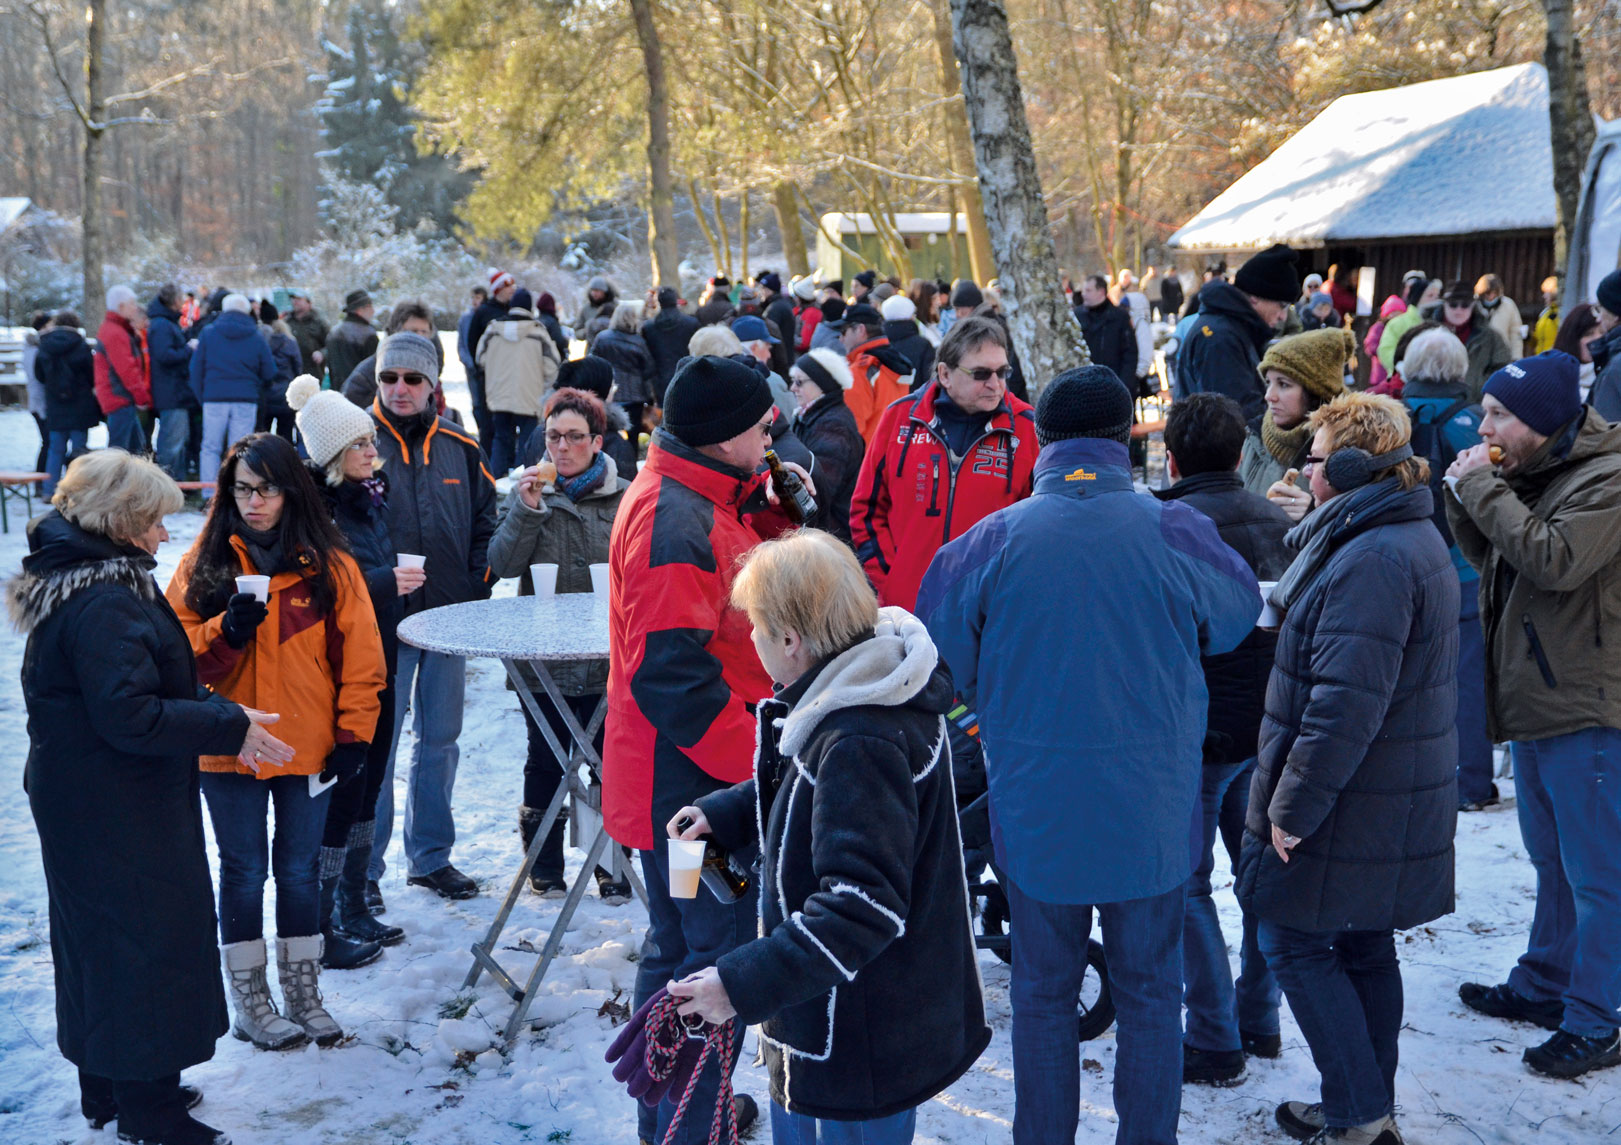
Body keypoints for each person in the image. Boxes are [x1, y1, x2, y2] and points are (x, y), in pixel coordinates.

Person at [918, 366, 1260, 1145]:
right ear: (1124, 438)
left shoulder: (989, 540)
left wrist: (988, 710)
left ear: (1039, 438)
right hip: (1152, 801)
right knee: (1148, 992)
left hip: (1035, 805)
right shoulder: (1172, 528)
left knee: (1041, 992)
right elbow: (1237, 618)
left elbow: (935, 649)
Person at [667, 532, 991, 1144]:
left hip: (860, 1040)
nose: (751, 640)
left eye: (756, 628)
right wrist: (730, 812)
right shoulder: (859, 684)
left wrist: (738, 985)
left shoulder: (859, 736)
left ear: (790, 641)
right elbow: (814, 792)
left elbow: (860, 907)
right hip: (832, 1018)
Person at [14, 451, 287, 1145]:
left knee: (98, 940)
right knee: (143, 941)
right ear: (123, 521)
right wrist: (229, 721)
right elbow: (132, 715)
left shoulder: (88, 581)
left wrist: (218, 708)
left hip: (90, 794)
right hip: (116, 802)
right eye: (157, 521)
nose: (167, 535)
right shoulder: (105, 598)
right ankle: (149, 1107)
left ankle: (107, 1085)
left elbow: (144, 687)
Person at [1238, 392, 1458, 1145]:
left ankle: (1359, 1113)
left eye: (1317, 456)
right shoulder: (1382, 531)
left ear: (1356, 466)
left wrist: (1290, 808)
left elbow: (1342, 705)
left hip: (1352, 796)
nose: (1304, 466)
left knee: (1290, 941)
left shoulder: (1373, 557)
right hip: (1378, 791)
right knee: (1362, 942)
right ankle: (1361, 1104)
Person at [604, 356, 811, 1145]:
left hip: (687, 785)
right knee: (707, 957)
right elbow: (672, 674)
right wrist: (755, 772)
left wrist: (775, 512)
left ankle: (677, 1115)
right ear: (724, 434)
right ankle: (690, 1126)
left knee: (685, 947)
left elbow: (737, 591)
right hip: (688, 796)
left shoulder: (702, 496)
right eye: (761, 424)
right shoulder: (674, 516)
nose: (772, 433)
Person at [167, 433, 387, 1049]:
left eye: (266, 489)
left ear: (291, 492)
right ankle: (252, 1002)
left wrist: (353, 736)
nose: (254, 502)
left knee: (297, 871)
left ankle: (303, 992)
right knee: (242, 869)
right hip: (228, 745)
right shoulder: (203, 563)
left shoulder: (330, 565)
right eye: (242, 490)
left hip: (306, 745)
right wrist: (224, 630)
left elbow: (363, 661)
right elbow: (171, 654)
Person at [1447, 350, 1621, 1079]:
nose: (1482, 424)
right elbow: (1495, 558)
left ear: (1543, 423)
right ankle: (1543, 983)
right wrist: (1466, 498)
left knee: (1598, 873)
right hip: (1535, 696)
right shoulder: (1534, 469)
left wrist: (1482, 487)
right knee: (1551, 862)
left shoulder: (1607, 479)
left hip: (1586, 704)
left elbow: (1552, 560)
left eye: (1498, 415)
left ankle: (1597, 1017)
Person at [1154, 393, 1290, 1087]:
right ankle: (1257, 1017)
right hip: (1266, 727)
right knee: (1256, 878)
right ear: (1240, 454)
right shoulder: (1277, 518)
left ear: (1170, 457)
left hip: (1197, 732)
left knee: (1185, 885)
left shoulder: (1167, 526)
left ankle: (1213, 1035)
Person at [367, 332, 498, 906]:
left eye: (412, 379)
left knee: (440, 741)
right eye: (389, 378)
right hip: (380, 624)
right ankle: (361, 871)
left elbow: (486, 524)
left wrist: (476, 589)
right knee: (379, 744)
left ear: (433, 386)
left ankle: (431, 858)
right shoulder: (357, 443)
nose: (399, 389)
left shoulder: (460, 446)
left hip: (447, 619)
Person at [487, 387, 632, 902]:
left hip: (606, 657)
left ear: (597, 441)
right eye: (553, 437)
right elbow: (501, 567)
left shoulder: (626, 496)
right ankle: (544, 865)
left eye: (574, 437)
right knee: (545, 760)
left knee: (606, 761)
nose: (562, 447)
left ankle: (610, 864)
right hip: (543, 659)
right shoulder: (529, 492)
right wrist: (526, 511)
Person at [289, 376, 416, 957]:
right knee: (343, 791)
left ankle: (355, 905)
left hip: (378, 660)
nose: (374, 451)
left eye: (371, 441)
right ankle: (319, 925)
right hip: (337, 676)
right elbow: (317, 593)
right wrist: (386, 583)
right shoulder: (313, 514)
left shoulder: (368, 500)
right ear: (334, 457)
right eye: (361, 444)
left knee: (368, 785)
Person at [849, 316, 1038, 610]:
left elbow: (1037, 527)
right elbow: (867, 510)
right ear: (945, 374)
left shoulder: (1026, 428)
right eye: (980, 374)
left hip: (990, 612)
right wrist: (891, 581)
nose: (995, 384)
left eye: (1002, 372)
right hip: (909, 610)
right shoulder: (900, 418)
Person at [1392, 330, 1493, 812]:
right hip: (1464, 571)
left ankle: (1410, 778)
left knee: (1406, 678)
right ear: (1460, 369)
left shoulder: (1389, 421)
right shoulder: (1474, 425)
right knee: (1467, 682)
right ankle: (1472, 782)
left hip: (1405, 567)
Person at [1179, 243, 1302, 419]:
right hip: (1216, 445)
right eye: (1282, 306)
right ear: (1255, 299)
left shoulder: (1234, 330)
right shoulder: (1221, 338)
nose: (1283, 316)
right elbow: (1236, 415)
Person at [1239, 328, 1350, 514]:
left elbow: (1358, 527)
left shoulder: (1347, 446)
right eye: (1268, 382)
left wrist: (1312, 513)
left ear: (1315, 392)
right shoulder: (1252, 436)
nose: (1269, 396)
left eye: (1283, 384)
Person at [191, 294, 277, 502]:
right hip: (245, 399)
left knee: (210, 447)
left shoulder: (209, 333)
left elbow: (195, 369)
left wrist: (202, 397)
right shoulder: (255, 336)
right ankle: (238, 490)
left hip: (214, 397)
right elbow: (270, 371)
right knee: (240, 449)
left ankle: (209, 494)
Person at [476, 288, 562, 473]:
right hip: (529, 395)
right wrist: (541, 385)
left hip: (498, 395)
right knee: (527, 442)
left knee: (500, 438)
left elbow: (480, 359)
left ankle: (495, 482)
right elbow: (552, 366)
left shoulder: (493, 328)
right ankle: (521, 485)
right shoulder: (538, 331)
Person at [788, 348, 863, 541]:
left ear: (822, 384)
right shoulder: (812, 416)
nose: (792, 388)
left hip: (832, 534)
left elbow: (820, 490)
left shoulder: (832, 427)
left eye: (799, 382)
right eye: (792, 381)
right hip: (825, 530)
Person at [525, 355, 638, 479]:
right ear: (599, 392)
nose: (562, 447)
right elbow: (627, 493)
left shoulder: (539, 432)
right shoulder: (615, 443)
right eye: (612, 387)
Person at [35, 311, 99, 496]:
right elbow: (92, 374)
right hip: (80, 405)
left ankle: (50, 491)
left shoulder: (45, 346)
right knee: (79, 451)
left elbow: (39, 375)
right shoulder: (81, 345)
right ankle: (78, 491)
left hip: (55, 405)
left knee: (56, 450)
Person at [340, 299, 447, 409]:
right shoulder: (367, 375)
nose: (419, 338)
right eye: (412, 331)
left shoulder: (430, 369)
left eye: (424, 332)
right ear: (395, 331)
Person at [831, 302, 914, 440]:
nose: (841, 338)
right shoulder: (895, 362)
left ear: (860, 330)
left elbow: (851, 431)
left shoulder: (860, 371)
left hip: (867, 457)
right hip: (893, 452)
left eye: (843, 331)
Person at [147, 285, 198, 481]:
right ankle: (168, 485)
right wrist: (188, 349)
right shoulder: (162, 325)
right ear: (174, 301)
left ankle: (176, 485)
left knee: (177, 440)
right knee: (172, 443)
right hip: (171, 392)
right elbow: (164, 355)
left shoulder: (165, 323)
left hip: (175, 391)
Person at [95, 284, 153, 455]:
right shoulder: (116, 333)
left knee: (135, 452)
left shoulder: (115, 329)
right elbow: (127, 371)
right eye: (132, 304)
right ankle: (114, 482)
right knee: (120, 454)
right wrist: (141, 397)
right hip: (119, 397)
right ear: (121, 307)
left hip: (120, 397)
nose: (135, 308)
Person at [1436, 280, 1513, 401]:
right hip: (1434, 405)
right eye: (1453, 304)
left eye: (1465, 305)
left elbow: (1503, 369)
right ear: (1444, 304)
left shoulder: (1491, 337)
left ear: (1472, 306)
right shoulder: (1426, 333)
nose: (1458, 310)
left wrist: (1480, 386)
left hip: (1474, 406)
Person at [590, 301, 658, 435]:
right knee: (633, 435)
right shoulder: (639, 342)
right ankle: (631, 455)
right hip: (635, 395)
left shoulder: (602, 338)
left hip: (609, 392)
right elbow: (649, 368)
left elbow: (592, 362)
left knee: (607, 433)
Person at [467, 270, 517, 440]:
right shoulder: (483, 312)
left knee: (508, 422)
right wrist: (480, 367)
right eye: (508, 286)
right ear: (498, 289)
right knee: (488, 423)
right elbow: (472, 342)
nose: (512, 290)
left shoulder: (514, 310)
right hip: (489, 376)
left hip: (511, 375)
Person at [1073, 274, 1139, 385]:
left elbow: (1130, 353)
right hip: (1083, 383)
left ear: (1101, 292)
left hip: (1113, 381)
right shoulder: (1077, 315)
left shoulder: (1119, 317)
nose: (1083, 295)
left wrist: (1124, 384)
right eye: (1083, 290)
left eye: (1088, 291)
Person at [642, 286, 699, 404]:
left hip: (659, 378)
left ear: (659, 301)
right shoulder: (691, 323)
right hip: (687, 374)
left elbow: (646, 355)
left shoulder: (648, 327)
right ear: (675, 300)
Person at [255, 301, 303, 443]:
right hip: (286, 396)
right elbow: (298, 368)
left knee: (262, 439)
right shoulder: (289, 341)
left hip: (264, 396)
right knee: (286, 436)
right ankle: (285, 463)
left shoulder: (257, 340)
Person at [324, 290, 379, 398]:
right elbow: (373, 370)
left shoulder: (334, 332)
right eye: (369, 306)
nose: (373, 311)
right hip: (361, 396)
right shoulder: (367, 334)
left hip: (336, 395)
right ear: (359, 310)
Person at [1586, 270, 1621, 419]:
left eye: (1600, 309)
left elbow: (1604, 436)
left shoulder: (1616, 369)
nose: (1598, 319)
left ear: (1617, 316)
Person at [880, 294, 937, 385]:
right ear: (910, 317)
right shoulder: (922, 345)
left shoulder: (879, 344)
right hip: (916, 398)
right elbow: (930, 381)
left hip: (887, 398)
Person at [1551, 302, 1603, 401]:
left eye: (1602, 332)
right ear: (1572, 339)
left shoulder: (1610, 376)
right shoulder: (1553, 378)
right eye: (1589, 334)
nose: (1597, 339)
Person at [1476, 273, 1525, 359]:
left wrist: (1516, 357)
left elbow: (1515, 332)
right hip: (1478, 354)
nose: (1491, 296)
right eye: (1488, 293)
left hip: (1501, 354)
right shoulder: (1474, 305)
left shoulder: (1508, 305)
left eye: (1494, 293)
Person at [285, 290, 329, 382]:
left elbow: (330, 345)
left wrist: (322, 353)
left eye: (299, 299)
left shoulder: (319, 322)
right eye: (293, 299)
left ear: (309, 303)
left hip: (313, 373)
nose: (295, 302)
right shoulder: (286, 322)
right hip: (291, 373)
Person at [758, 271, 799, 365]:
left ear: (770, 290)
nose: (761, 292)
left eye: (763, 288)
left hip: (781, 359)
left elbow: (770, 334)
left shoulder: (774, 308)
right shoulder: (780, 304)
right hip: (786, 356)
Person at [576, 275, 620, 347]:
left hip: (613, 349)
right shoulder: (586, 309)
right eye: (592, 290)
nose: (594, 293)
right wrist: (587, 331)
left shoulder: (616, 307)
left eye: (597, 290)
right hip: (592, 350)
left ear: (605, 292)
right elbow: (577, 331)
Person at [456, 285, 488, 379]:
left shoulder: (487, 317)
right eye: (473, 297)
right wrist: (467, 361)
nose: (474, 300)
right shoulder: (465, 319)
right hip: (470, 367)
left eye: (478, 298)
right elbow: (461, 342)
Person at [792, 276, 823, 355]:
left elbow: (804, 342)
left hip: (803, 354)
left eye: (796, 296)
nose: (794, 299)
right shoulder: (803, 310)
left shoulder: (811, 313)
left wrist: (787, 339)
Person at [1532, 275, 1561, 355]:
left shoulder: (1561, 312)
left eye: (1546, 293)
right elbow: (1539, 339)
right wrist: (1529, 337)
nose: (1544, 296)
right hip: (1540, 357)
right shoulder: (1545, 313)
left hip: (1553, 357)